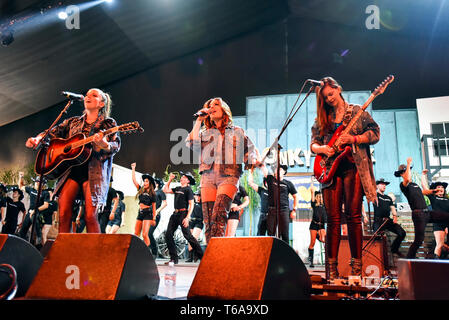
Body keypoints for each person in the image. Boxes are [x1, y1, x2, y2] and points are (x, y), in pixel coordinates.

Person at [310, 77, 380, 279]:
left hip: (352, 167)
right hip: (330, 169)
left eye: (331, 94)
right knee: (332, 220)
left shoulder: (357, 112)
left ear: (339, 89)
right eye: (325, 97)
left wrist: (355, 138)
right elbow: (313, 144)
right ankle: (331, 271)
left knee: (354, 216)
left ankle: (356, 271)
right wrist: (322, 148)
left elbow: (375, 133)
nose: (329, 99)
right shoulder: (322, 119)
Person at [25, 88, 120, 233]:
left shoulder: (108, 123)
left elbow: (115, 145)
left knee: (90, 216)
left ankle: (95, 254)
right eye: (87, 95)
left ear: (101, 103)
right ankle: (65, 251)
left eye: (93, 95)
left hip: (93, 173)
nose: (88, 97)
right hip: (70, 171)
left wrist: (104, 144)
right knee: (63, 213)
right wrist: (38, 139)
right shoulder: (73, 122)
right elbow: (53, 132)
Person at [185, 97, 259, 243]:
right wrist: (199, 121)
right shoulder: (205, 132)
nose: (212, 107)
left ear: (224, 109)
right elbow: (191, 142)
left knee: (218, 215)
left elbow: (249, 151)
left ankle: (216, 257)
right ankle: (212, 256)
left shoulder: (237, 131)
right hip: (207, 176)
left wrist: (253, 162)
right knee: (208, 219)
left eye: (216, 105)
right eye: (210, 106)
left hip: (229, 176)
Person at [396, 157, 449, 259]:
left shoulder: (415, 185)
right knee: (418, 240)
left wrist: (434, 191)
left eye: (409, 171)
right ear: (402, 174)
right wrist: (408, 163)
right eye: (406, 172)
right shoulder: (404, 185)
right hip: (418, 214)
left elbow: (424, 192)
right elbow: (407, 178)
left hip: (427, 213)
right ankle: (409, 259)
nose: (409, 172)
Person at [163, 172, 204, 264]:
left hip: (183, 214)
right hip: (175, 214)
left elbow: (191, 204)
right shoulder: (178, 188)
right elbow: (165, 190)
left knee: (188, 236)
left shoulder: (188, 190)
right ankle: (174, 258)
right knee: (168, 235)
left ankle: (202, 256)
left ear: (188, 180)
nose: (181, 178)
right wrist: (170, 179)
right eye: (182, 177)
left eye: (184, 177)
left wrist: (187, 217)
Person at [259, 163, 298, 244]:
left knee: (285, 233)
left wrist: (294, 210)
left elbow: (296, 196)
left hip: (284, 210)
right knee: (271, 233)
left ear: (284, 172)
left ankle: (285, 255)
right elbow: (263, 167)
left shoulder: (288, 183)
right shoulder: (270, 179)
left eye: (280, 169)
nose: (278, 171)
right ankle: (272, 253)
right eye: (277, 169)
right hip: (272, 210)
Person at [372, 178, 406, 257]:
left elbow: (392, 208)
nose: (384, 186)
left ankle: (394, 249)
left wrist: (395, 217)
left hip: (387, 220)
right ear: (377, 186)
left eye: (385, 185)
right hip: (378, 220)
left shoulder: (388, 198)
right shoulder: (375, 195)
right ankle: (376, 256)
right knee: (377, 238)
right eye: (382, 184)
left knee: (402, 233)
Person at [421, 169, 449, 259]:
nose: (441, 188)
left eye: (442, 187)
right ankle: (436, 263)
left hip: (447, 223)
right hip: (438, 224)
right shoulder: (433, 198)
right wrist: (423, 175)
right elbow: (425, 188)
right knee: (440, 245)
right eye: (439, 187)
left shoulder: (447, 200)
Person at [18, 173, 50, 242]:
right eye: (37, 182)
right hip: (29, 213)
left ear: (43, 184)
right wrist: (20, 177)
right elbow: (20, 187)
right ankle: (22, 244)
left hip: (38, 213)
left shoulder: (45, 193)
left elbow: (46, 205)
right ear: (35, 182)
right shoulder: (31, 190)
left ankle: (39, 238)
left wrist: (35, 210)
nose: (38, 184)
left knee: (35, 224)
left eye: (40, 183)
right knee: (22, 231)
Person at [131, 163, 156, 247]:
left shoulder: (153, 194)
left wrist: (154, 218)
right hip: (140, 213)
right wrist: (133, 168)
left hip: (148, 214)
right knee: (136, 233)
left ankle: (147, 251)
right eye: (144, 181)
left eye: (146, 181)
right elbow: (134, 180)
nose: (144, 183)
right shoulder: (141, 189)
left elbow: (154, 207)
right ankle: (137, 249)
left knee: (145, 234)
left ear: (150, 183)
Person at [308, 183, 327, 268]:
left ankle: (328, 260)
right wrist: (312, 185)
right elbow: (312, 193)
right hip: (314, 225)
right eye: (318, 196)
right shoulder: (314, 204)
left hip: (321, 226)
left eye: (321, 196)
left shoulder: (324, 205)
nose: (320, 198)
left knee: (324, 240)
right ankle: (310, 261)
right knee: (312, 242)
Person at [148, 178, 167, 257]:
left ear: (157, 184)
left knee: (149, 233)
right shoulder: (151, 192)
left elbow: (165, 203)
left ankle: (154, 252)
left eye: (153, 183)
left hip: (155, 215)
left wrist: (157, 211)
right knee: (146, 233)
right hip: (148, 215)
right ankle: (148, 252)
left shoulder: (160, 192)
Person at [186, 190, 204, 262]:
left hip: (199, 222)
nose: (198, 197)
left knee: (194, 238)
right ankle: (190, 257)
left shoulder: (203, 204)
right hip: (191, 221)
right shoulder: (191, 203)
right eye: (197, 195)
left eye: (199, 195)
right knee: (190, 239)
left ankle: (197, 254)